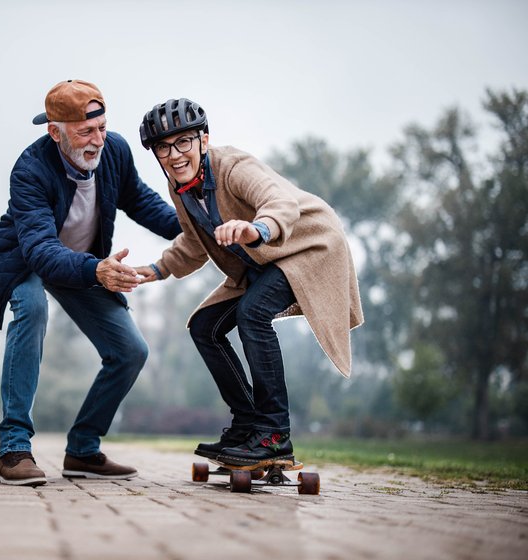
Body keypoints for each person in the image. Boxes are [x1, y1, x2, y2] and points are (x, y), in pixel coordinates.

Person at [134, 98, 364, 468]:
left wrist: (255, 228)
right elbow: (194, 243)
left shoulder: (233, 168)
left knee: (252, 312)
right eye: (163, 147)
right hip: (265, 260)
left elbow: (281, 203)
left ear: (203, 142)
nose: (174, 155)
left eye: (183, 142)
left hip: (307, 246)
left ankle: (274, 435)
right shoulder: (181, 189)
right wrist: (157, 269)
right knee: (204, 327)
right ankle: (247, 426)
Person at [0, 80, 182, 486]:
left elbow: (141, 201)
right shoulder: (30, 170)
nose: (98, 141)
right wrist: (97, 271)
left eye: (102, 128)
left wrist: (195, 230)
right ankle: (14, 449)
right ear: (55, 132)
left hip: (85, 264)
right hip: (28, 260)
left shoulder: (116, 151)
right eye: (85, 132)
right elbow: (40, 250)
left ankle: (83, 450)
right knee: (33, 309)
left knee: (130, 350)